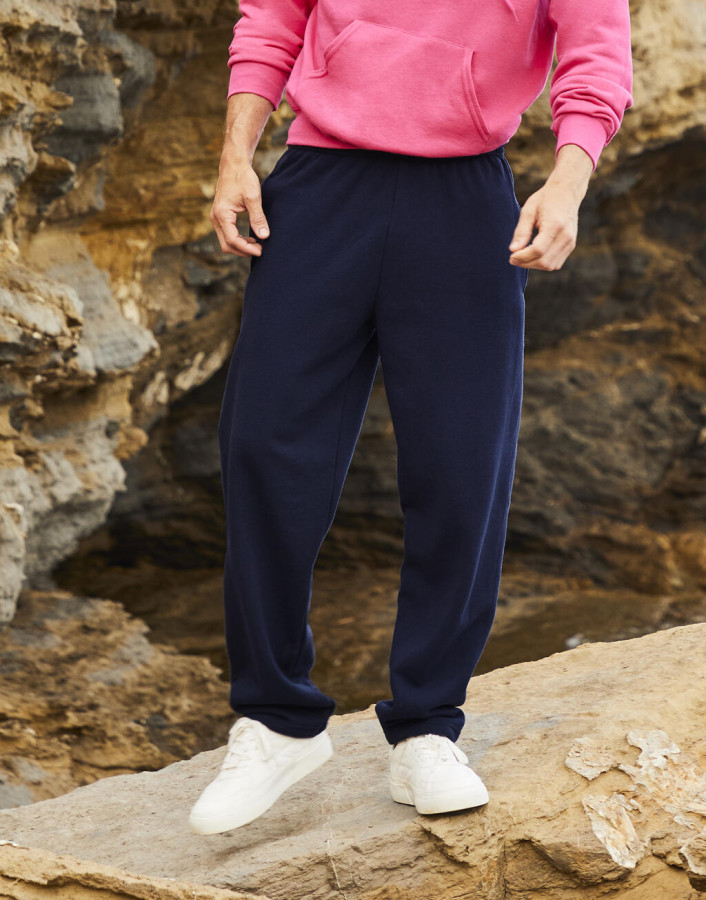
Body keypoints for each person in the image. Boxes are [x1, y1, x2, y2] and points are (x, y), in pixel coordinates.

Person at [188, 0, 633, 835]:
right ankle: (277, 721)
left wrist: (567, 183)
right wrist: (236, 154)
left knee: (462, 466)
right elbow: (272, 20)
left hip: (465, 198)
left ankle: (427, 727)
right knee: (263, 445)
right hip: (318, 184)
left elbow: (597, 56)